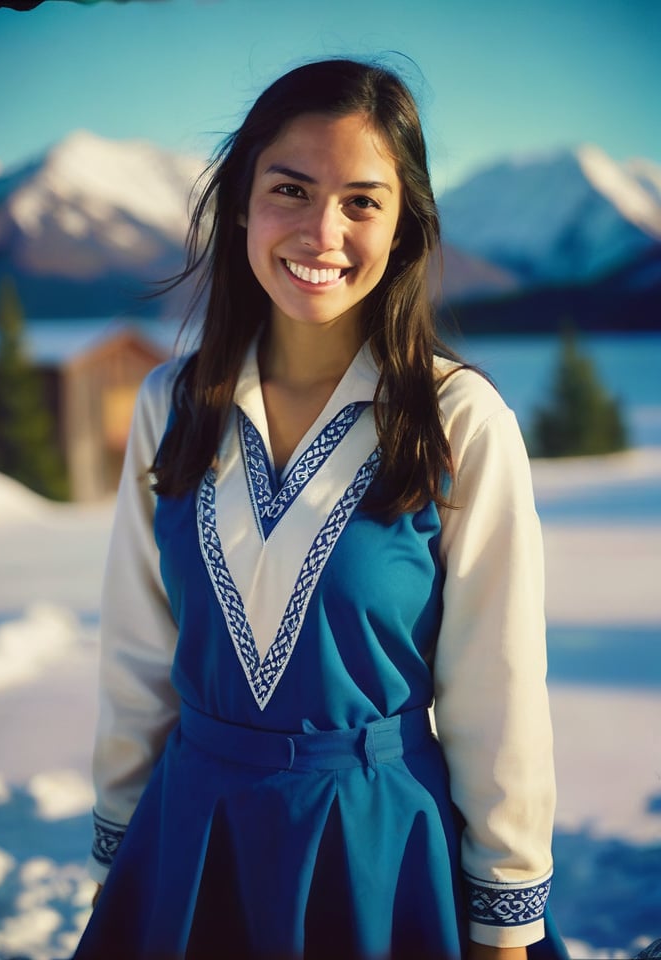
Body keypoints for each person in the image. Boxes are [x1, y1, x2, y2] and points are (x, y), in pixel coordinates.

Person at [74, 58, 568, 960]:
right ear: (241, 203)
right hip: (191, 837)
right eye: (290, 189)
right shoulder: (171, 404)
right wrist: (126, 847)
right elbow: (137, 651)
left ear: (406, 225)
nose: (322, 230)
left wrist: (504, 911)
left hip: (377, 844)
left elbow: (498, 686)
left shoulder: (458, 420)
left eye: (362, 201)